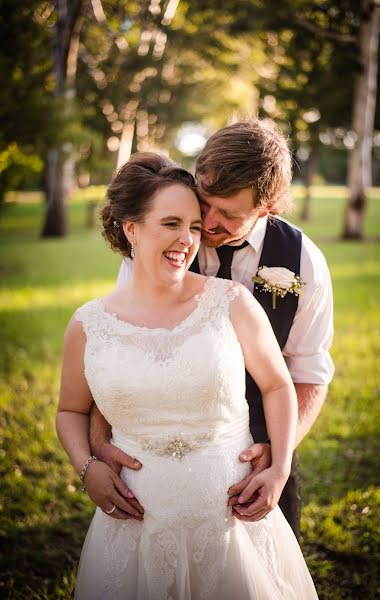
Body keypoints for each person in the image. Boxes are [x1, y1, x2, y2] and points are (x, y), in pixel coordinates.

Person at [56, 151, 319, 599]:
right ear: (131, 227)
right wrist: (87, 467)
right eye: (172, 224)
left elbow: (280, 383)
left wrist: (279, 467)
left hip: (228, 514)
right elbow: (69, 409)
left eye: (194, 227)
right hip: (135, 519)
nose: (188, 239)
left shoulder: (231, 302)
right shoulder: (88, 324)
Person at [90, 118, 334, 540]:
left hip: (261, 448)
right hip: (158, 454)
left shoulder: (303, 262)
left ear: (267, 208)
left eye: (229, 214)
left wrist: (279, 454)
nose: (207, 221)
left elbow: (309, 372)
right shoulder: (159, 241)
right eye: (206, 201)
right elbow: (118, 346)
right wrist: (97, 442)